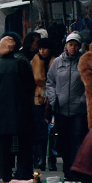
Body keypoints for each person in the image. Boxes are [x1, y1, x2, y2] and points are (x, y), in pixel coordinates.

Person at [0, 34, 36, 181]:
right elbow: (30, 87)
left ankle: (6, 176)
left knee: (4, 148)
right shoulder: (21, 64)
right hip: (22, 111)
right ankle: (23, 174)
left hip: (1, 113)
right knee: (23, 146)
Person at [44, 32, 87, 178]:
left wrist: (82, 100)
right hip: (60, 109)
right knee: (64, 141)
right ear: (66, 46)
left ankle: (76, 170)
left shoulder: (83, 62)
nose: (73, 47)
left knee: (77, 140)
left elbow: (89, 84)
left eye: (76, 45)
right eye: (70, 44)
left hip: (78, 110)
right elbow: (50, 82)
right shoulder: (57, 62)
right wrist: (53, 97)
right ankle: (67, 170)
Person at [30, 38, 56, 170]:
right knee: (40, 130)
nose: (42, 51)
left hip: (53, 98)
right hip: (39, 98)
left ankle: (52, 159)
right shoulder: (35, 61)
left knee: (52, 131)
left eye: (44, 48)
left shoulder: (55, 61)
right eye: (40, 48)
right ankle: (41, 158)